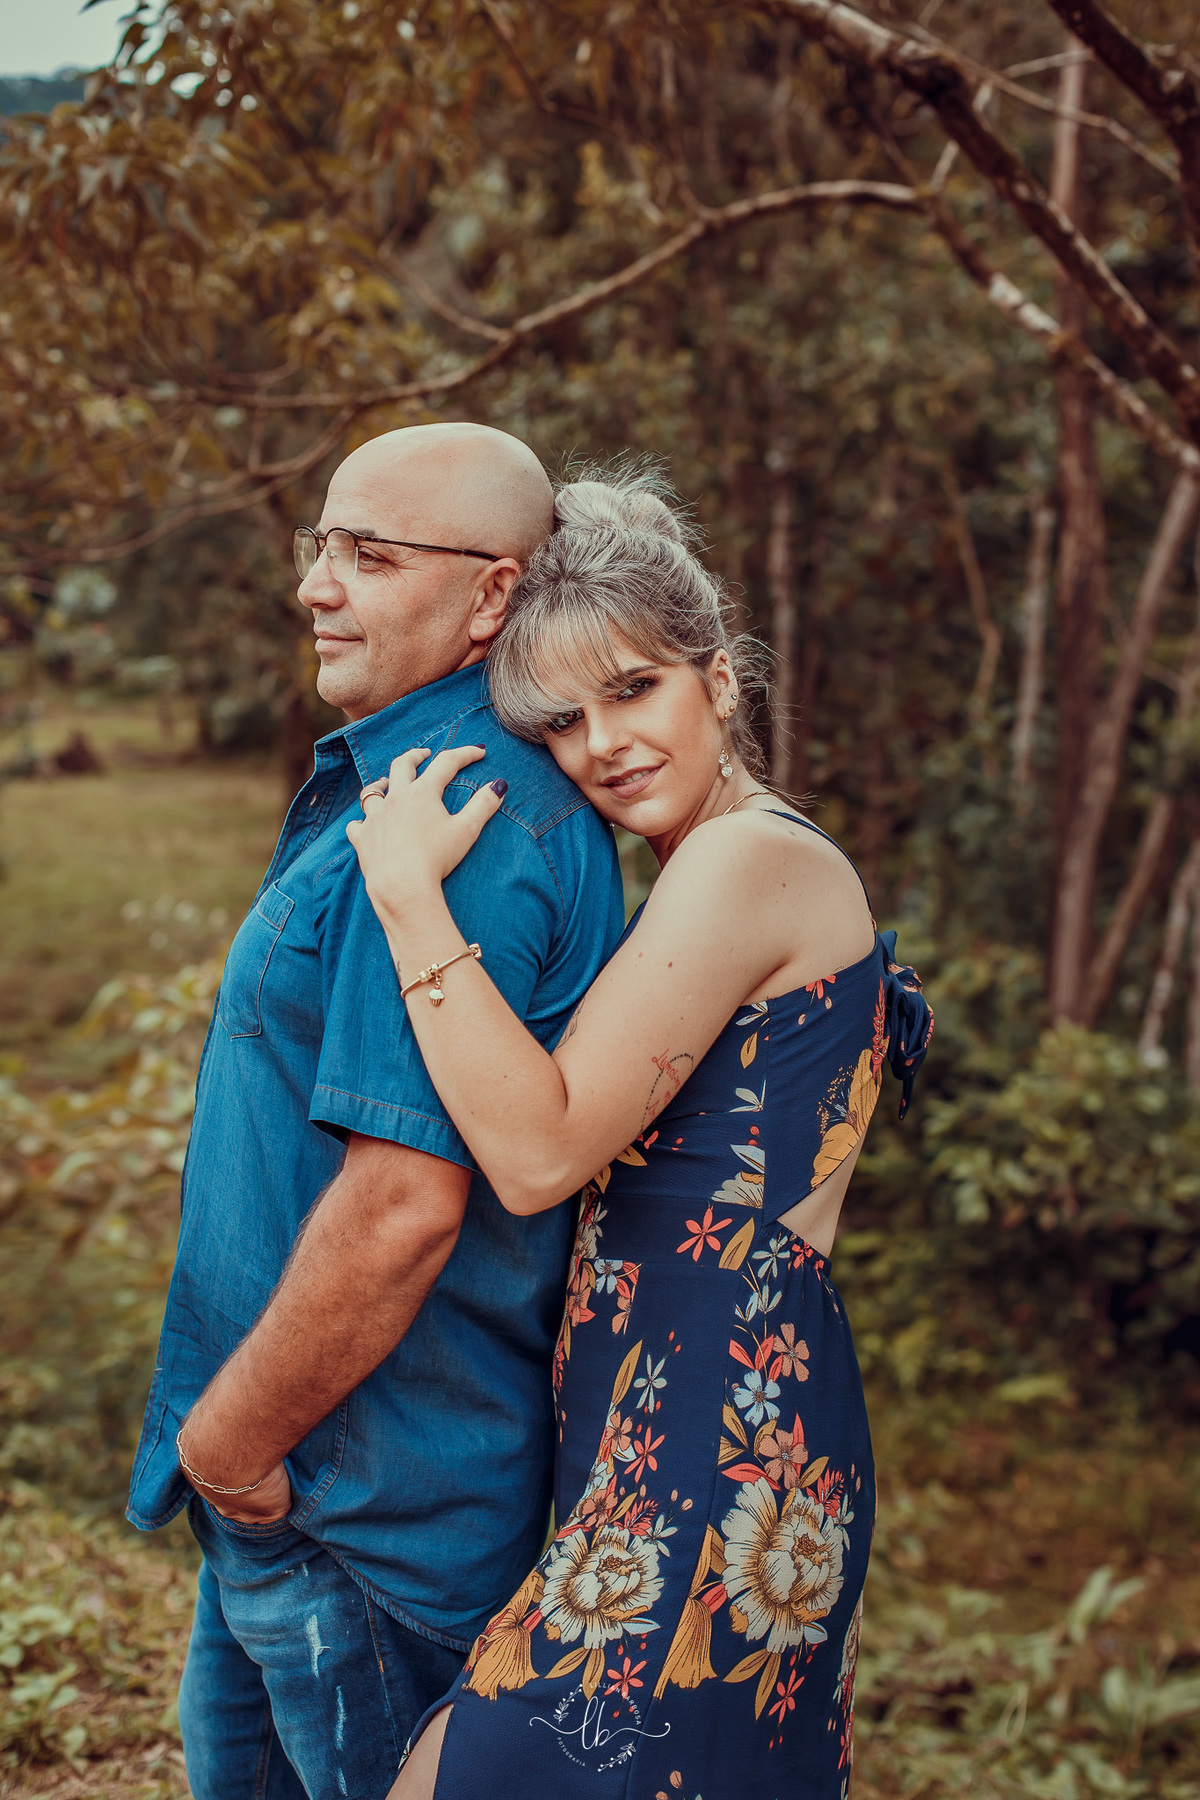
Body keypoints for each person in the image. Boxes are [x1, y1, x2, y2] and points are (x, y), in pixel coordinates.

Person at [347, 467, 933, 1800]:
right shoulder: (711, 867)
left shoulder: (745, 860)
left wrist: (409, 898)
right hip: (674, 1393)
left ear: (719, 680)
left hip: (722, 1409)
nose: (602, 743)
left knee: (475, 1770)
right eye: (561, 720)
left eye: (634, 689)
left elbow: (539, 1152)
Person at [126, 423, 625, 1800]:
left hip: (358, 1519)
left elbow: (405, 1205)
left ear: (493, 596)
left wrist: (230, 1446)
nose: (317, 584)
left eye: (371, 555)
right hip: (294, 1494)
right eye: (322, 543)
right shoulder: (400, 788)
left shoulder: (464, 817)